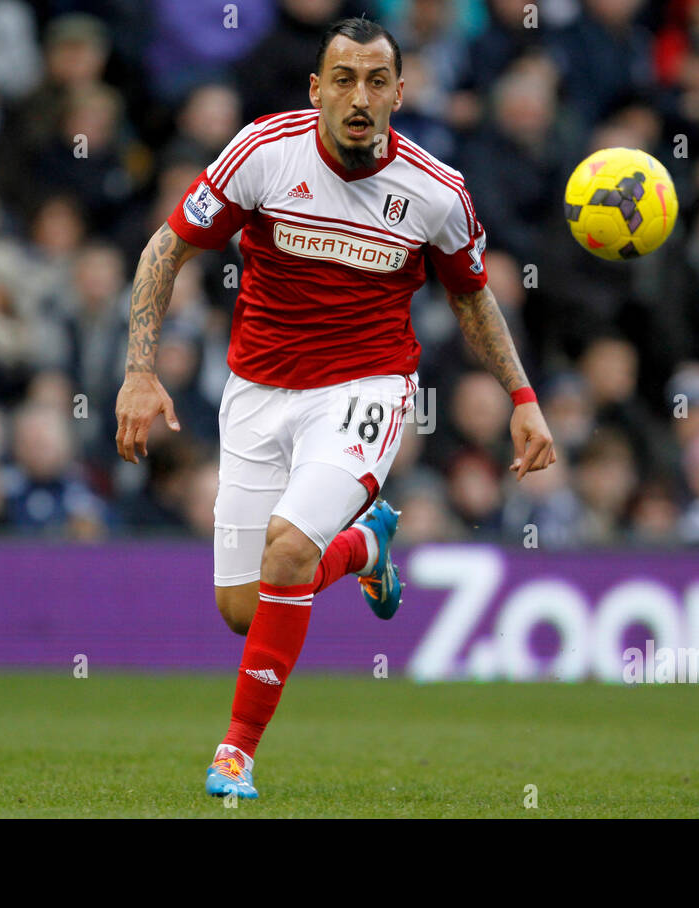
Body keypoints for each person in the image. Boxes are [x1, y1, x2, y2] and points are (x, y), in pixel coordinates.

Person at [112, 17, 555, 800]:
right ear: (316, 89)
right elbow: (164, 249)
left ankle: (236, 754)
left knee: (285, 554)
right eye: (342, 79)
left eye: (376, 80)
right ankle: (364, 550)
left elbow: (473, 298)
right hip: (255, 389)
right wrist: (139, 371)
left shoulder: (436, 191)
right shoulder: (262, 153)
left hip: (366, 389)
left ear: (399, 93)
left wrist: (522, 397)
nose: (359, 96)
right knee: (242, 610)